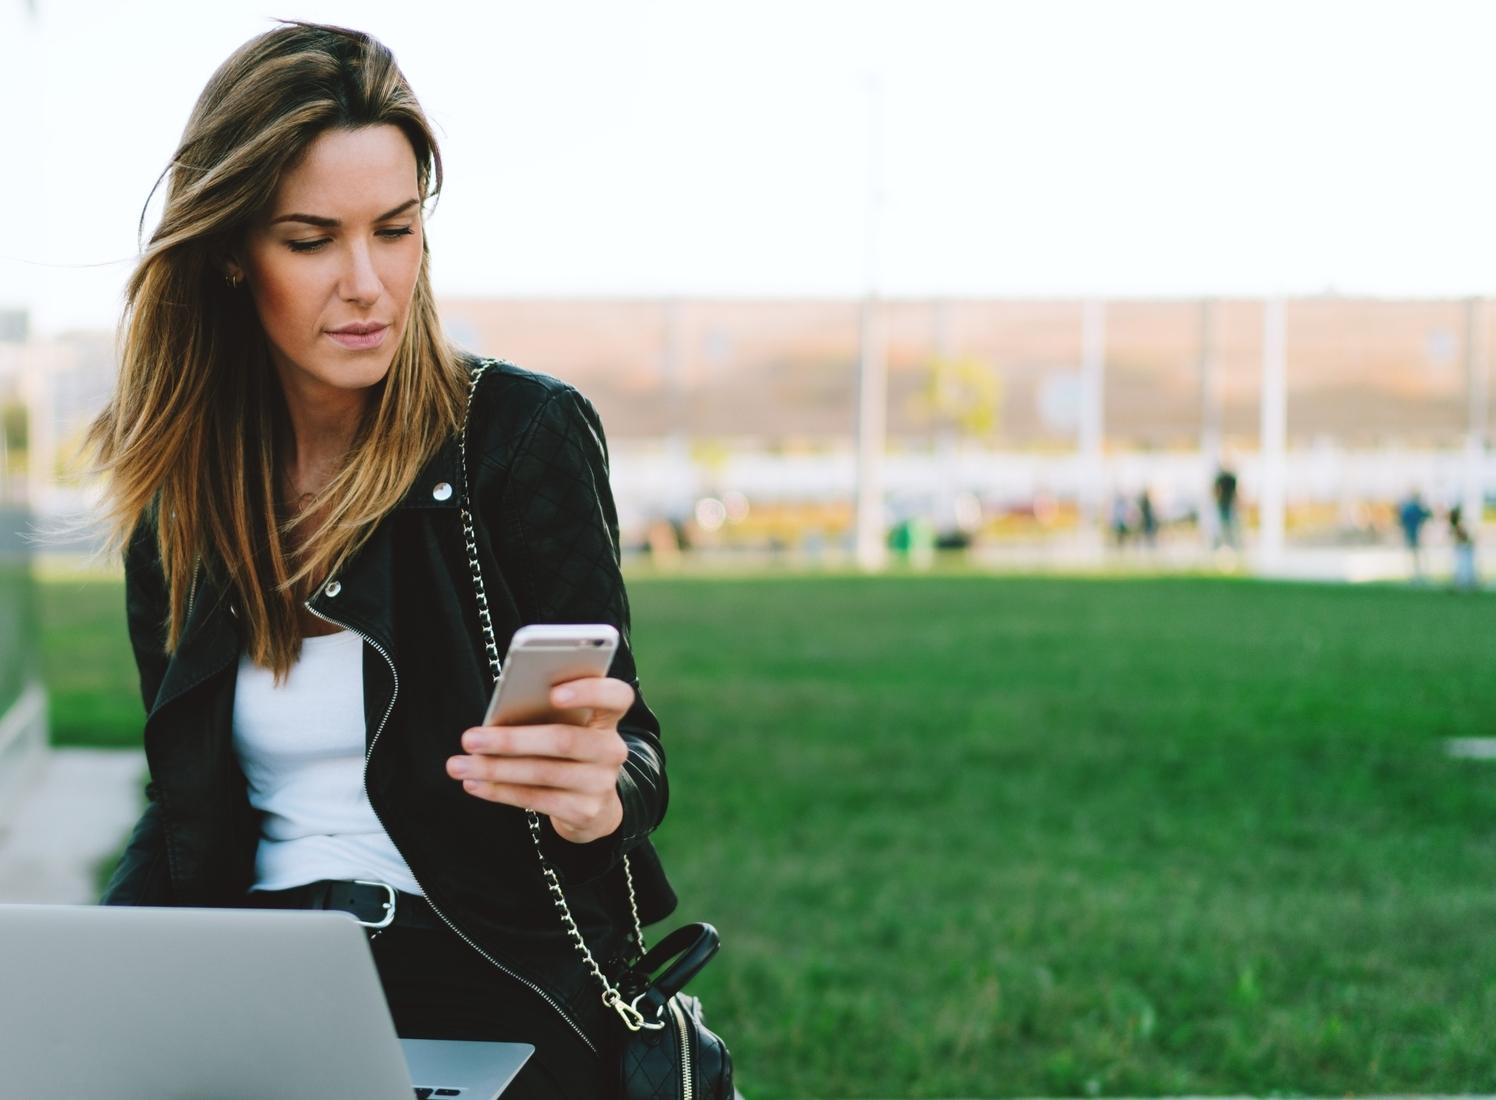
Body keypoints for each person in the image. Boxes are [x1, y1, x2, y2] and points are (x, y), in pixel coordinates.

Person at [83, 22, 673, 1099]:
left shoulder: (516, 436)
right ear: (228, 249)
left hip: (489, 978)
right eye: (310, 239)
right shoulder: (181, 489)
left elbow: (628, 747)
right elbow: (185, 810)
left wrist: (597, 797)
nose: (366, 282)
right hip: (253, 978)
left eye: (394, 230)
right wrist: (91, 981)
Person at [1397, 489, 1432, 584]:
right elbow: (1427, 515)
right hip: (1416, 535)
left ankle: (1415, 576)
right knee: (1418, 557)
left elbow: (1401, 520)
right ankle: (1418, 576)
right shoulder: (1416, 507)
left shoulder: (1408, 508)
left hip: (1411, 535)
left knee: (1413, 557)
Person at [1449, 504, 1479, 592]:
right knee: (1464, 566)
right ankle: (1466, 583)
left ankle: (1466, 583)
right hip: (1464, 547)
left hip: (1464, 547)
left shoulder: (1459, 525)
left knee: (1464, 566)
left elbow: (1465, 537)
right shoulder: (1458, 525)